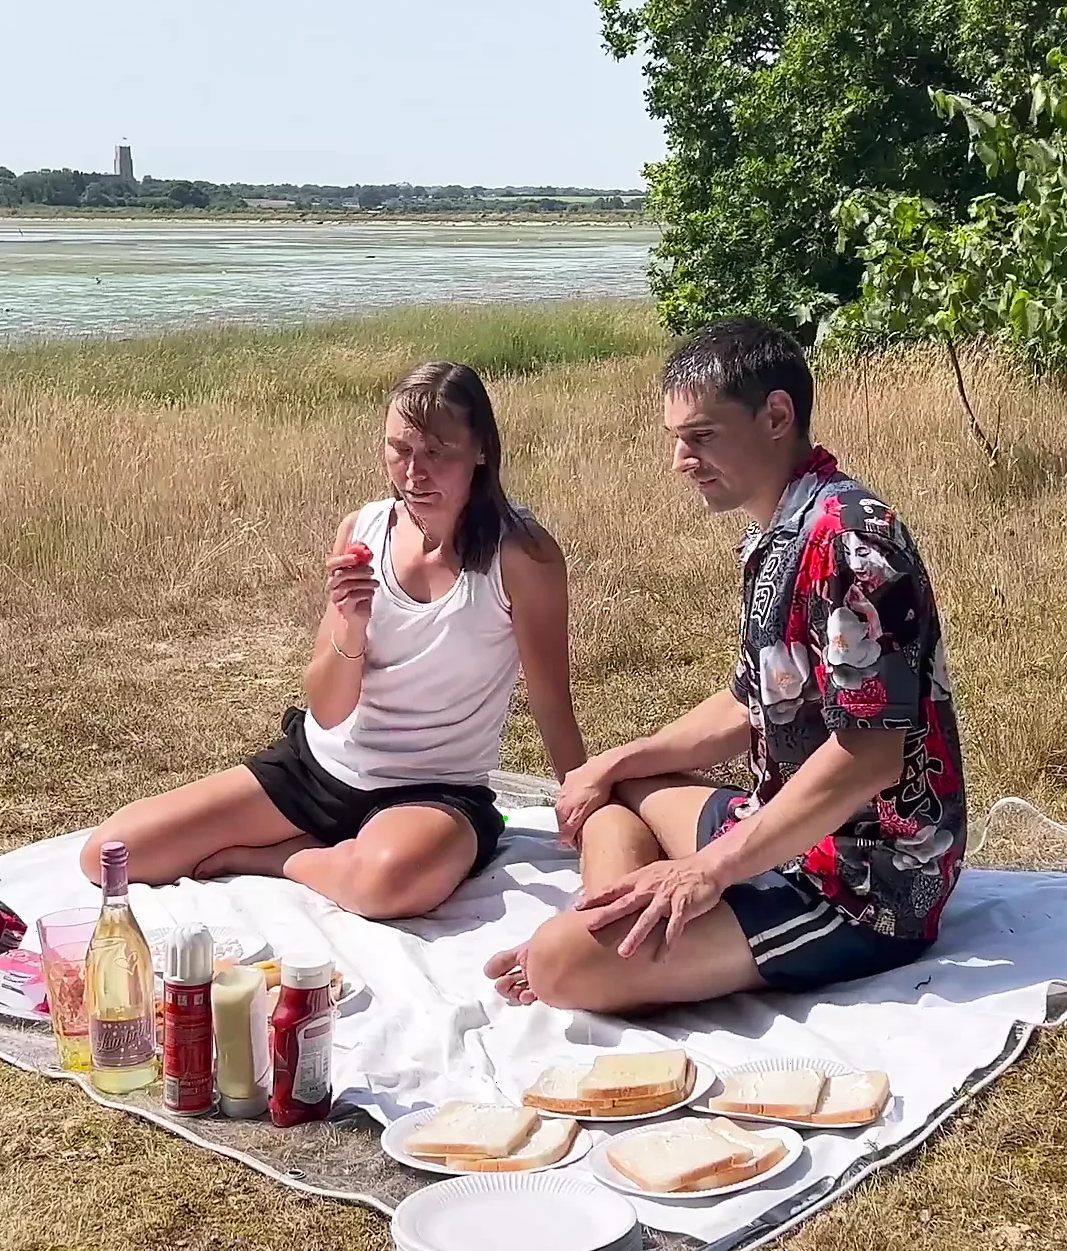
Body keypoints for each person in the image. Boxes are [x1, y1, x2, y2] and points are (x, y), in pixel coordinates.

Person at [485, 318, 966, 1013]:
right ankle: (613, 914)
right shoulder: (783, 530)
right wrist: (615, 761)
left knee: (561, 967)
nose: (682, 459)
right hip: (782, 828)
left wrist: (707, 871)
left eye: (701, 436)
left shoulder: (852, 541)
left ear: (776, 415)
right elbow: (750, 701)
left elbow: (868, 758)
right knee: (617, 793)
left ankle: (599, 938)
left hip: (864, 882)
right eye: (677, 439)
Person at [79, 361, 586, 919]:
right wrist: (351, 624)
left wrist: (583, 805)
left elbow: (550, 699)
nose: (414, 473)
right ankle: (328, 850)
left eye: (438, 452)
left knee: (385, 886)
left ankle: (285, 860)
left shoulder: (521, 556)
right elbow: (327, 708)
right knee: (108, 856)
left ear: (482, 450)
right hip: (319, 770)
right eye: (400, 450)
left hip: (432, 791)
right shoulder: (363, 531)